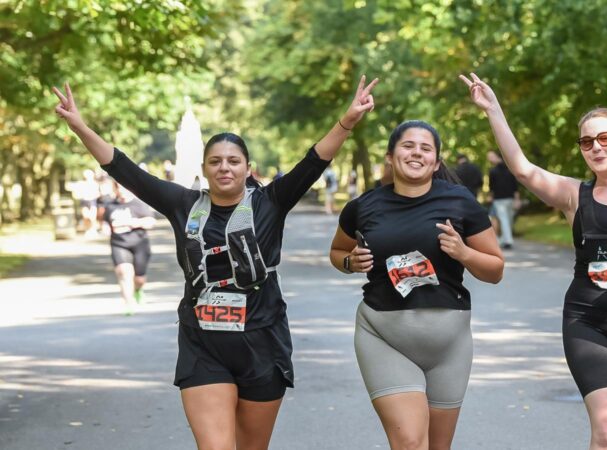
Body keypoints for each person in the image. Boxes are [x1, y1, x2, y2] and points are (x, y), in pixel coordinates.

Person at [53, 75, 378, 449]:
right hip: (203, 344)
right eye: (216, 161)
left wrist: (348, 120)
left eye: (233, 161)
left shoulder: (269, 202)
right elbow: (124, 169)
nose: (225, 168)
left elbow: (314, 160)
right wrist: (79, 126)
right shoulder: (183, 204)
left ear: (248, 168)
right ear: (205, 169)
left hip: (262, 339)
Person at [461, 73, 607, 450]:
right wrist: (493, 109)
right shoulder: (573, 195)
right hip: (588, 321)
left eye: (604, 138)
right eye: (587, 142)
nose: (596, 148)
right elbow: (522, 169)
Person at [329, 120, 504, 450]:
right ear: (391, 157)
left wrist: (464, 252)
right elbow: (337, 252)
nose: (417, 153)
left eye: (426, 148)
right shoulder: (363, 207)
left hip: (449, 344)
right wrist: (351, 262)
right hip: (383, 336)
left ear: (436, 162)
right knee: (409, 442)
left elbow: (495, 270)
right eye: (408, 146)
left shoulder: (460, 202)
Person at [104, 181, 155, 314]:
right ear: (115, 188)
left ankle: (138, 290)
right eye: (118, 187)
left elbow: (151, 222)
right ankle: (128, 303)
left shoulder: (139, 203)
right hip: (119, 243)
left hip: (139, 243)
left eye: (124, 187)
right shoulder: (110, 205)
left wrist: (131, 223)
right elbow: (105, 223)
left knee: (139, 278)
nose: (121, 190)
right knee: (123, 272)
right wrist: (105, 229)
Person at [487, 150, 520, 249]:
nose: (489, 158)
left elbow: (491, 188)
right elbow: (515, 187)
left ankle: (505, 240)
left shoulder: (493, 171)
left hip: (499, 199)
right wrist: (517, 199)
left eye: (490, 156)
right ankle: (507, 240)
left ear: (497, 156)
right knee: (507, 219)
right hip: (509, 198)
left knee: (505, 219)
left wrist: (490, 197)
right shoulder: (511, 168)